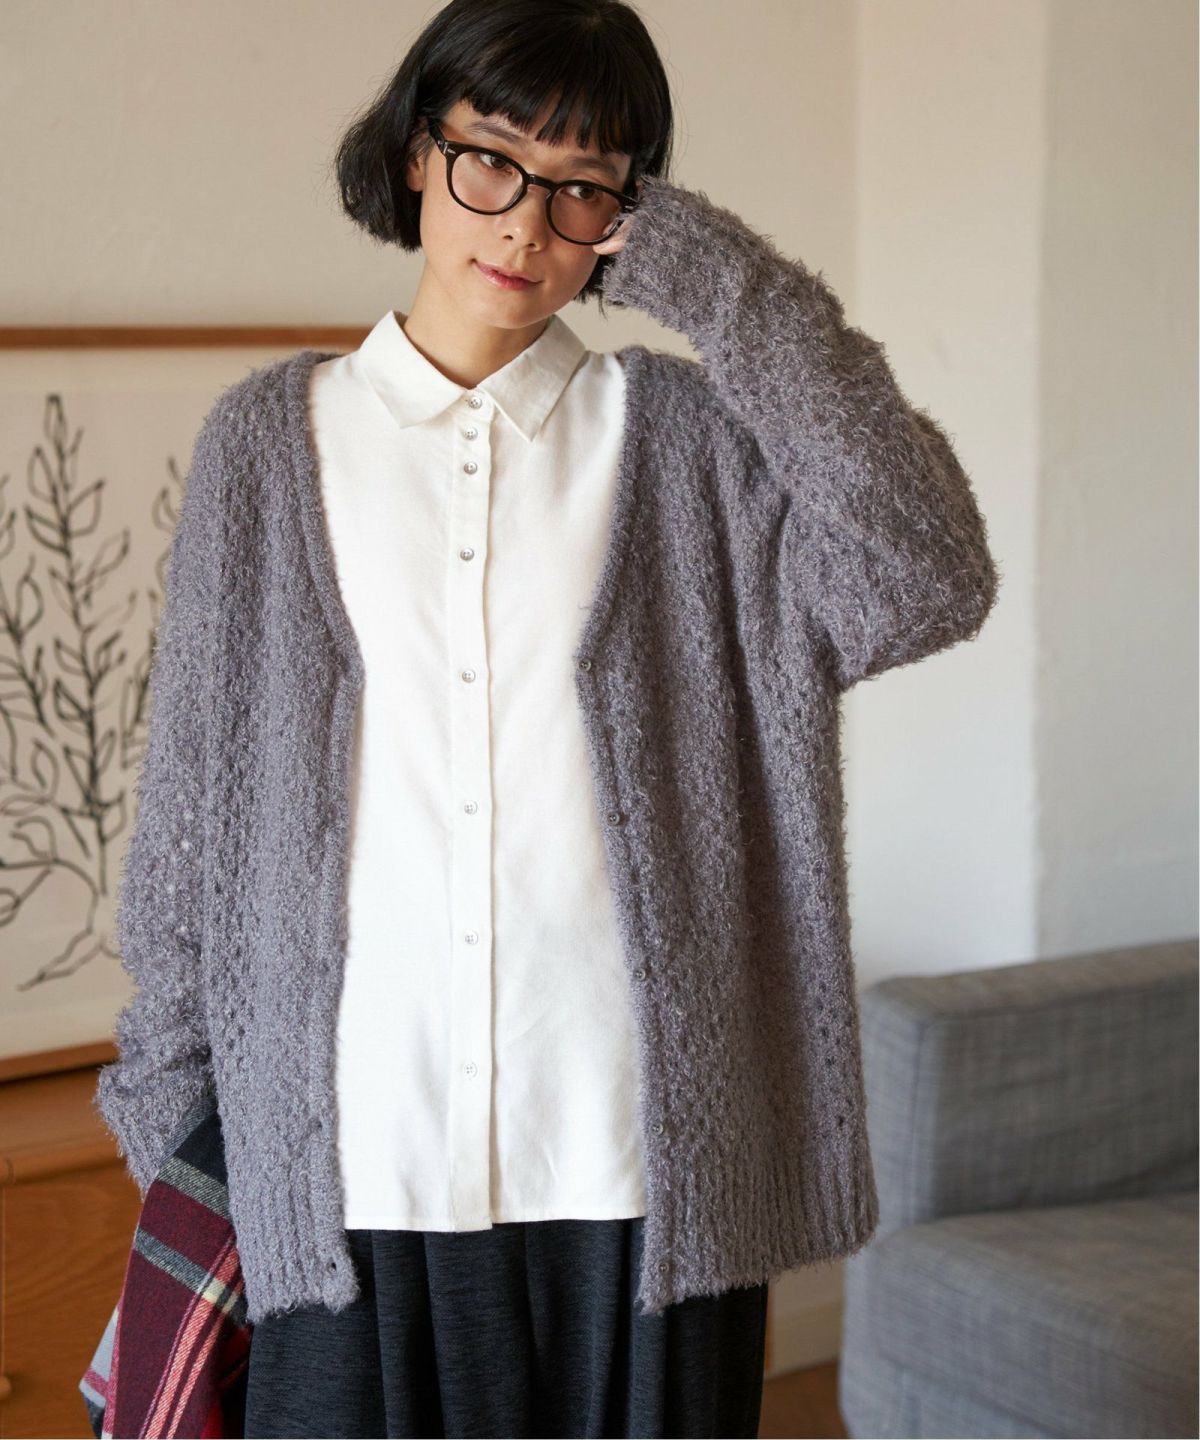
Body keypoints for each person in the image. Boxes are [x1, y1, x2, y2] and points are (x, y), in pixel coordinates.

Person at [94, 0, 1000, 1435]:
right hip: (346, 1170)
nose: (525, 224)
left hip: (640, 1171)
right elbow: (193, 816)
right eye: (492, 162)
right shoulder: (266, 447)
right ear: (416, 154)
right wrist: (174, 1113)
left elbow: (926, 572)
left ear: (632, 216)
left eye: (586, 186)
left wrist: (727, 285)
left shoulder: (690, 444)